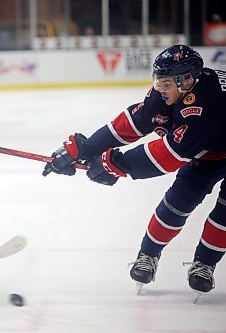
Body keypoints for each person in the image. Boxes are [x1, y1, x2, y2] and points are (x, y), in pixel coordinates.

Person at [43, 45, 226, 299]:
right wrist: (87, 148)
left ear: (186, 81)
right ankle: (147, 255)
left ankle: (205, 264)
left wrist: (118, 164)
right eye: (158, 82)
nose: (160, 89)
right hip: (207, 149)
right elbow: (135, 122)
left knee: (224, 215)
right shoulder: (169, 94)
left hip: (206, 143)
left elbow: (170, 155)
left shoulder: (206, 102)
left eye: (166, 84)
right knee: (178, 202)